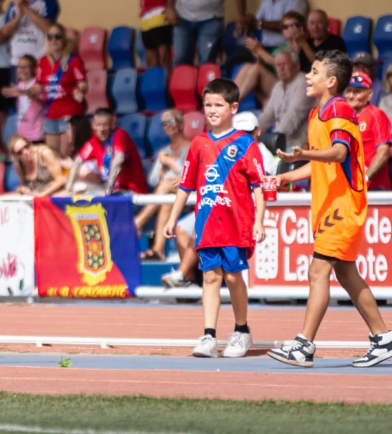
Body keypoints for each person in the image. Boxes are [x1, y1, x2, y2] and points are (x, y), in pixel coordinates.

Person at [270, 51, 392, 368]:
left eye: (313, 71)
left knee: (318, 271)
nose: (308, 77)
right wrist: (285, 175)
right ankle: (383, 339)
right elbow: (318, 165)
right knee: (346, 273)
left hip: (343, 206)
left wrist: (303, 155)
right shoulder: (317, 114)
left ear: (331, 81)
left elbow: (338, 153)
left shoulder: (338, 108)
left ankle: (303, 346)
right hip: (330, 207)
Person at [163, 78, 266, 358]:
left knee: (233, 278)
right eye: (207, 104)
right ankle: (209, 336)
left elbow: (258, 187)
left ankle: (242, 331)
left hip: (236, 224)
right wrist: (172, 218)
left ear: (233, 107)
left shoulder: (245, 143)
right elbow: (185, 185)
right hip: (207, 223)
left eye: (218, 104)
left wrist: (259, 221)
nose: (211, 110)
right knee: (210, 277)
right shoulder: (198, 143)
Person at [137, 109, 190, 262]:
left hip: (188, 192)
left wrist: (170, 164)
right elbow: (153, 181)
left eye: (172, 121)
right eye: (164, 124)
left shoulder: (191, 147)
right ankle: (158, 250)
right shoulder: (164, 151)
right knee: (166, 198)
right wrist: (161, 171)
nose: (168, 125)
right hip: (168, 196)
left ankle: (139, 222)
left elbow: (190, 174)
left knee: (166, 186)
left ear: (181, 124)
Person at [67, 108, 148, 195]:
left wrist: (108, 190)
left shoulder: (120, 135)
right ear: (93, 126)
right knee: (77, 193)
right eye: (98, 125)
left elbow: (118, 161)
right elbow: (77, 162)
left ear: (113, 124)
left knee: (91, 201)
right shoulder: (94, 141)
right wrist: (68, 190)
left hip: (130, 191)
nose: (101, 129)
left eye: (105, 125)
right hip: (110, 190)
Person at [35, 22, 86, 156]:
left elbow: (82, 83)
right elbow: (39, 86)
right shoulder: (42, 61)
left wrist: (79, 90)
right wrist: (24, 91)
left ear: (63, 39)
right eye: (50, 36)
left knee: (66, 155)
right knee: (52, 157)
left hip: (69, 112)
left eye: (57, 36)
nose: (54, 40)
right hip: (51, 113)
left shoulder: (73, 60)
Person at [1, 0, 61, 71]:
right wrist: (18, 16)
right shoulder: (13, 3)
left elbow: (48, 28)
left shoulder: (48, 0)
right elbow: (4, 33)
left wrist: (25, 7)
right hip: (17, 61)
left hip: (40, 59)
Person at [251, 47, 312, 146]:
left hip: (300, 142)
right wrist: (252, 133)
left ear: (297, 66)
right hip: (282, 140)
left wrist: (275, 137)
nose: (281, 68)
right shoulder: (278, 86)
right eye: (278, 65)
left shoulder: (303, 83)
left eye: (285, 64)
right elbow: (268, 115)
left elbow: (293, 116)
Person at [344, 72, 391, 191]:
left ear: (369, 95)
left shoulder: (376, 114)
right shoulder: (343, 118)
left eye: (357, 91)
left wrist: (364, 179)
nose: (351, 95)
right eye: (348, 90)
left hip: (374, 189)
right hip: (351, 189)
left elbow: (383, 153)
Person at [2, 54, 45, 143]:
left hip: (36, 134)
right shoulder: (20, 85)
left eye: (26, 67)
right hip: (22, 133)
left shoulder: (37, 84)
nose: (22, 70)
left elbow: (45, 104)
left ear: (34, 69)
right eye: (20, 67)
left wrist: (32, 96)